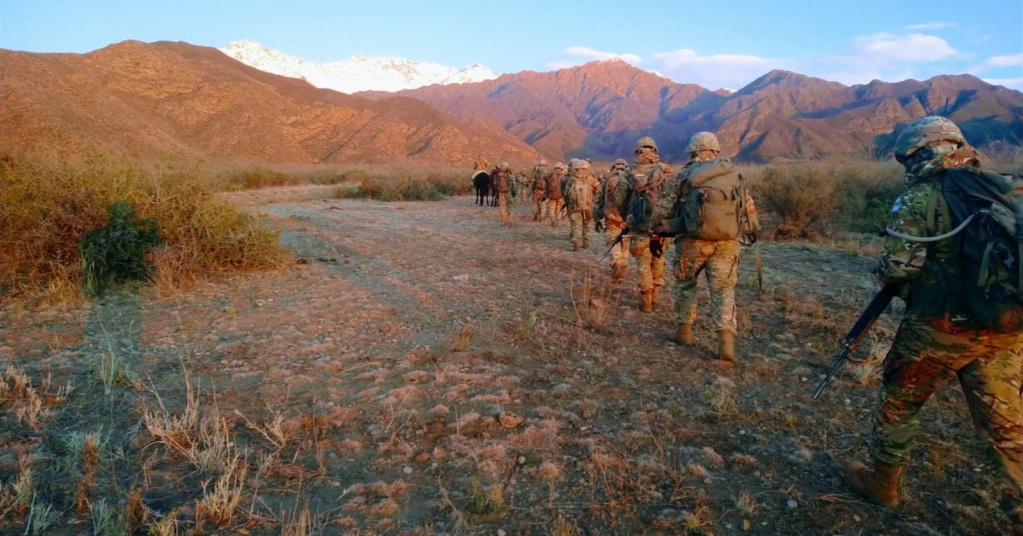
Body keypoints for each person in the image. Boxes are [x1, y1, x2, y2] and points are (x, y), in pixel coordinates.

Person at [843, 116, 1023, 533]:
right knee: (1007, 421)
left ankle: (883, 483)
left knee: (901, 400)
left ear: (917, 153)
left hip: (937, 328)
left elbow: (898, 268)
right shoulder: (1005, 187)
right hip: (1002, 327)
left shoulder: (920, 198)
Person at [652, 131, 758, 364]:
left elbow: (662, 209)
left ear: (692, 151)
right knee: (723, 291)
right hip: (727, 244)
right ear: (716, 151)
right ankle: (726, 346)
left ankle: (684, 334)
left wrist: (656, 230)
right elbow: (748, 210)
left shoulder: (683, 175)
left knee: (685, 285)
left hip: (692, 242)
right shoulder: (733, 174)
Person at [623, 137, 673, 312]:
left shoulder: (629, 171)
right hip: (661, 226)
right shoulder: (665, 171)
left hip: (639, 226)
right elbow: (673, 197)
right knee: (658, 257)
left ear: (637, 151)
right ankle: (656, 291)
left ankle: (646, 301)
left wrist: (627, 220)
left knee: (643, 263)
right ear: (655, 151)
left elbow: (622, 199)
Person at [594, 158, 631, 282]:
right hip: (628, 221)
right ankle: (623, 265)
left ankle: (616, 262)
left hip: (611, 219)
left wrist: (597, 216)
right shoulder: (632, 180)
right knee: (626, 245)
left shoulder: (607, 180)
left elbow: (598, 199)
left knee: (614, 243)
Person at [562, 159, 600, 251]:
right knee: (586, 224)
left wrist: (568, 203)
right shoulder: (591, 179)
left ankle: (576, 245)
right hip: (588, 206)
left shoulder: (572, 179)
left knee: (575, 225)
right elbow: (599, 191)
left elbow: (566, 193)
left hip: (574, 207)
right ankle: (586, 243)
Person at [543, 162, 567, 228]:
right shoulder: (563, 176)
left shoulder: (549, 175)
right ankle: (557, 222)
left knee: (551, 210)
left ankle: (552, 221)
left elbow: (546, 186)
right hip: (560, 196)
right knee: (559, 209)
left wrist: (547, 195)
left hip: (552, 195)